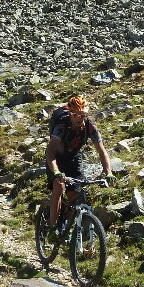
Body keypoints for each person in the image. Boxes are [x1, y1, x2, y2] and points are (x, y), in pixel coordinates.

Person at [45, 95, 113, 229]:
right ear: (70, 113)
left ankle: (68, 229)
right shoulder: (61, 125)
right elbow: (50, 150)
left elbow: (102, 151)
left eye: (83, 115)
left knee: (75, 194)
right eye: (75, 115)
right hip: (56, 158)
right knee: (59, 186)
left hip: (74, 157)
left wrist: (109, 173)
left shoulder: (90, 127)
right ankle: (53, 228)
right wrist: (56, 171)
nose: (80, 119)